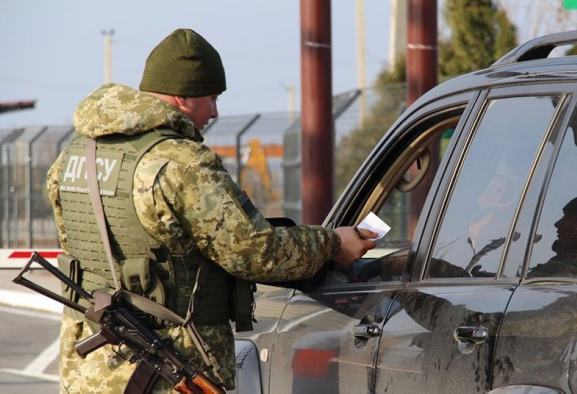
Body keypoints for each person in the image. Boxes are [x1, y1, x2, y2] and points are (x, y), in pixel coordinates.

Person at [47, 28, 376, 393]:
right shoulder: (181, 163)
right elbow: (255, 252)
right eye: (212, 98)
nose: (215, 111)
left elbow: (73, 240)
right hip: (167, 366)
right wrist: (331, 243)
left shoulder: (74, 156)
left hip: (90, 367)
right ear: (183, 95)